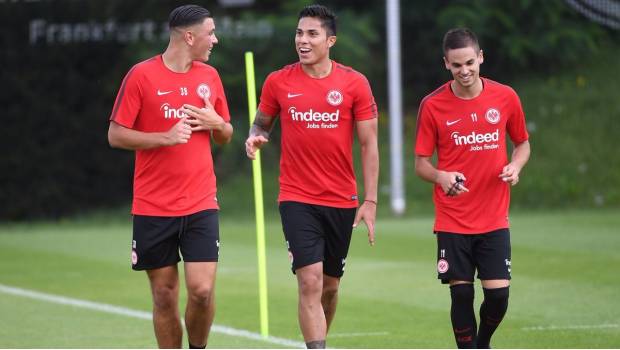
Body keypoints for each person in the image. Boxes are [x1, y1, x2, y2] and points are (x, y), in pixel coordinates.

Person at [245, 4, 378, 349]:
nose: (302, 41)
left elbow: (368, 144)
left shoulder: (354, 83)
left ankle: (319, 339)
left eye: (312, 34)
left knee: (330, 287)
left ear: (330, 40)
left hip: (341, 198)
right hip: (296, 197)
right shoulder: (278, 81)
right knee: (310, 282)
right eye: (298, 33)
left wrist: (371, 200)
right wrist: (254, 136)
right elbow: (261, 122)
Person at [107, 5, 233, 348]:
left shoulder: (210, 77)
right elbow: (116, 135)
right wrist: (163, 137)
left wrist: (217, 124)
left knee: (202, 291)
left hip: (201, 202)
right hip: (153, 206)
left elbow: (226, 133)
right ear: (189, 36)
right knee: (164, 296)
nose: (215, 39)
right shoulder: (141, 75)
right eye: (210, 33)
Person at [414, 28, 530, 348]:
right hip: (453, 218)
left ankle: (483, 343)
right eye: (456, 65)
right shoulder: (433, 105)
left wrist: (515, 166)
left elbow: (522, 144)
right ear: (446, 65)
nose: (464, 71)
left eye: (469, 62)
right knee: (462, 292)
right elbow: (421, 164)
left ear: (480, 57)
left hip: (493, 217)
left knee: (499, 298)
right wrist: (441, 177)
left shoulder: (505, 97)